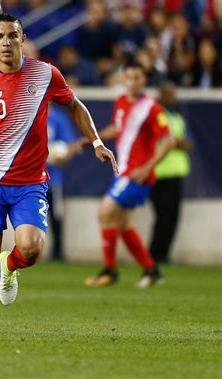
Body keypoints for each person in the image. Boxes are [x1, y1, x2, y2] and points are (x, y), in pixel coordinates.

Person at [0, 13, 117, 331]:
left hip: (30, 182)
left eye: (12, 36)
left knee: (31, 249)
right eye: (0, 37)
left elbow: (75, 105)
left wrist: (96, 142)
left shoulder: (45, 74)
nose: (6, 42)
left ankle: (10, 266)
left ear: (22, 39)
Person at [84, 60, 176, 289]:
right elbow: (118, 128)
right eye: (129, 77)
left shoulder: (152, 108)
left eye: (137, 78)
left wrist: (147, 168)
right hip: (123, 172)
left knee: (104, 213)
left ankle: (109, 271)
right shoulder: (122, 102)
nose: (132, 82)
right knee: (123, 224)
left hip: (137, 175)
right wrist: (92, 140)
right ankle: (151, 270)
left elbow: (169, 141)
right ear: (124, 79)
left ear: (144, 81)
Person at [149, 81, 192, 263]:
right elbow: (163, 140)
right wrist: (176, 142)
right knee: (163, 216)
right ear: (161, 95)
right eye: (168, 94)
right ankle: (154, 254)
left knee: (173, 216)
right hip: (158, 172)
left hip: (176, 172)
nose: (172, 98)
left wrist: (180, 143)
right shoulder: (154, 114)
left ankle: (163, 254)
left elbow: (187, 143)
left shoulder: (176, 117)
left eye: (173, 94)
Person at [46, 106, 82, 261]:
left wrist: (65, 156)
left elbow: (71, 144)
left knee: (56, 215)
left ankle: (57, 251)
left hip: (53, 178)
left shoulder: (59, 119)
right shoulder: (27, 113)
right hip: (29, 177)